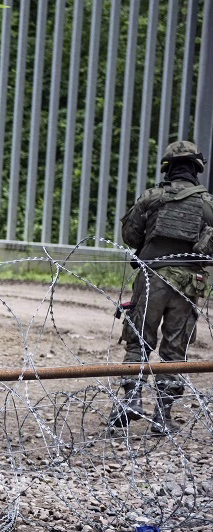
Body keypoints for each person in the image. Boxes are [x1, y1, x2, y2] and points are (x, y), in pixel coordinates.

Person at [108, 140, 211, 435]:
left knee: (139, 340)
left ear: (167, 168)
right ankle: (163, 417)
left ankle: (131, 400)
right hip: (189, 284)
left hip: (152, 278)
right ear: (196, 168)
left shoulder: (151, 197)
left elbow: (130, 235)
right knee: (174, 350)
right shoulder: (207, 203)